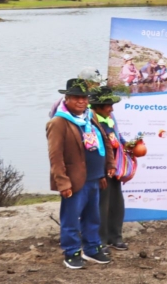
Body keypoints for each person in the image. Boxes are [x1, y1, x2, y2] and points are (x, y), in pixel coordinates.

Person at [48, 78, 115, 269]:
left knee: (92, 217)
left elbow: (103, 142)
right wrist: (62, 182)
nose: (81, 101)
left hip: (94, 177)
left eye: (84, 98)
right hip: (74, 180)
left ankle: (92, 248)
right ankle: (72, 252)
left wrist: (105, 168)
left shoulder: (89, 117)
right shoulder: (59, 122)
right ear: (67, 98)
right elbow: (55, 156)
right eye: (76, 98)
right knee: (71, 218)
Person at [91, 87, 129, 250]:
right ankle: (100, 239)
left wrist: (128, 145)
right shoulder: (90, 121)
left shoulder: (110, 117)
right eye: (108, 105)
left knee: (116, 201)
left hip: (115, 166)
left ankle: (116, 236)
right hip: (101, 167)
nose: (111, 108)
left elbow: (117, 137)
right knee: (101, 204)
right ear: (97, 106)